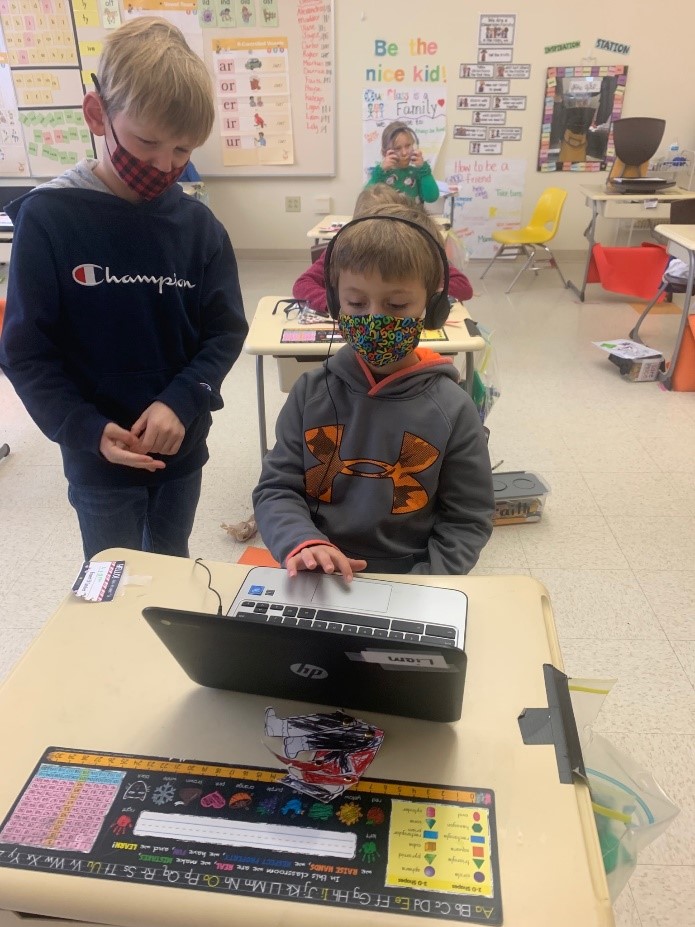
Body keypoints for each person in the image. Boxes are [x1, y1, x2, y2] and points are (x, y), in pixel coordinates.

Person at [0, 17, 248, 560]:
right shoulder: (49, 218)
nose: (164, 165)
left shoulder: (201, 229)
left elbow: (225, 332)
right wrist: (84, 428)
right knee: (111, 574)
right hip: (98, 458)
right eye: (147, 142)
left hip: (180, 449)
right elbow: (25, 351)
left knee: (171, 561)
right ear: (98, 115)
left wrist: (182, 402)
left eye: (183, 150)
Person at [253, 204, 494, 579]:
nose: (375, 320)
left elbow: (467, 518)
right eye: (356, 303)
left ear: (432, 309)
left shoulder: (453, 409)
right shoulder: (309, 393)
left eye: (396, 305)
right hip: (319, 569)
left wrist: (426, 582)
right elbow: (276, 488)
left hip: (412, 577)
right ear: (336, 303)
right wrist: (302, 542)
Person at [293, 184, 473, 310]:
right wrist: (338, 305)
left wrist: (426, 299)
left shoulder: (417, 253)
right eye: (357, 302)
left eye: (397, 304)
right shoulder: (341, 252)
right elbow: (302, 284)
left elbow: (463, 286)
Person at [366, 121, 439, 204]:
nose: (404, 153)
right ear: (385, 153)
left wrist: (423, 170)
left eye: (408, 146)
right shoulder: (381, 174)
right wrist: (380, 171)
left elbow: (432, 197)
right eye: (397, 148)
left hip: (413, 212)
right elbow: (366, 200)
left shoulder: (418, 172)